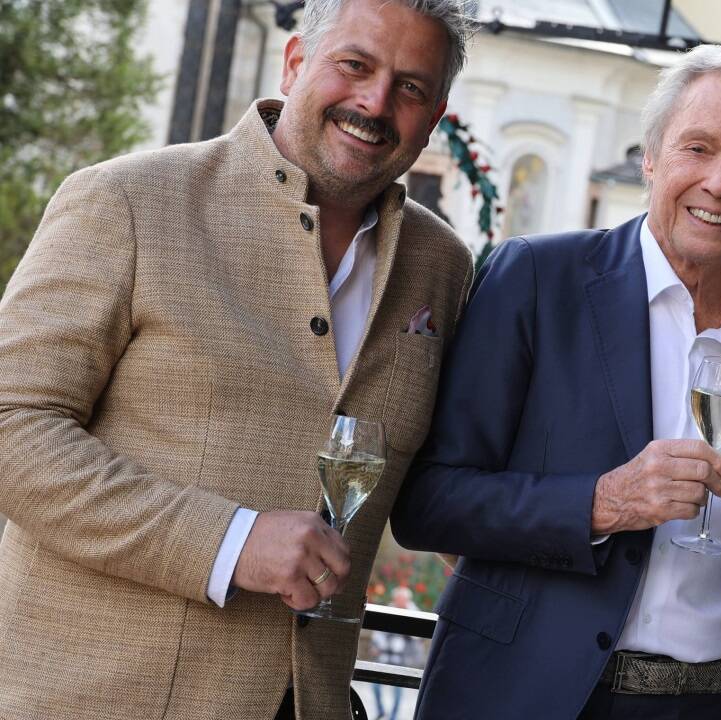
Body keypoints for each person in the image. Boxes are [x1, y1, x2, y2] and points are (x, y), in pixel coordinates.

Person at [0, 1, 474, 718]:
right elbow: (12, 424)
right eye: (355, 64)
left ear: (434, 114)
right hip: (88, 697)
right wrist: (226, 541)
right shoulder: (128, 200)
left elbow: (438, 484)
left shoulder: (441, 266)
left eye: (409, 87)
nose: (375, 102)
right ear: (294, 64)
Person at [390, 45, 721, 720]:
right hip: (520, 694)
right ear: (650, 156)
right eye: (697, 148)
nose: (719, 182)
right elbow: (429, 502)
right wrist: (602, 502)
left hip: (706, 707)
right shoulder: (536, 279)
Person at [369, 586, 425, 720]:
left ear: (407, 600)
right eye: (398, 599)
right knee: (375, 686)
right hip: (384, 655)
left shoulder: (415, 613)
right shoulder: (388, 609)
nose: (400, 601)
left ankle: (393, 717)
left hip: (402, 658)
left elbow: (418, 639)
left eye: (402, 599)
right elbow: (378, 633)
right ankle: (381, 710)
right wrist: (376, 646)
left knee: (398, 690)